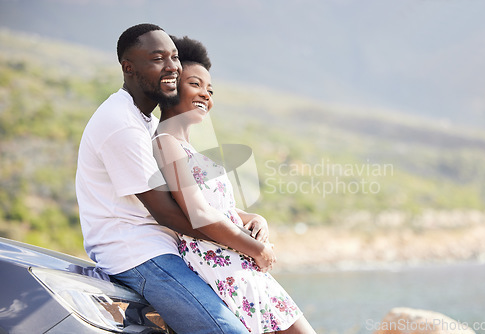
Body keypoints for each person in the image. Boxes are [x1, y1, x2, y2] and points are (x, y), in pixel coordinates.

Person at [75, 23, 250, 333]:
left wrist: (247, 220)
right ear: (128, 67)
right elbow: (166, 211)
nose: (172, 68)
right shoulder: (122, 123)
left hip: (162, 247)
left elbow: (192, 199)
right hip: (138, 254)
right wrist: (244, 245)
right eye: (158, 58)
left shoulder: (144, 121)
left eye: (174, 57)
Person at [152, 35, 316, 333]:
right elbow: (198, 214)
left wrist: (253, 218)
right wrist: (257, 249)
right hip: (219, 266)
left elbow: (220, 207)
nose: (206, 95)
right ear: (171, 87)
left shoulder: (189, 148)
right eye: (196, 85)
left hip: (237, 262)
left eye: (210, 89)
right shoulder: (166, 143)